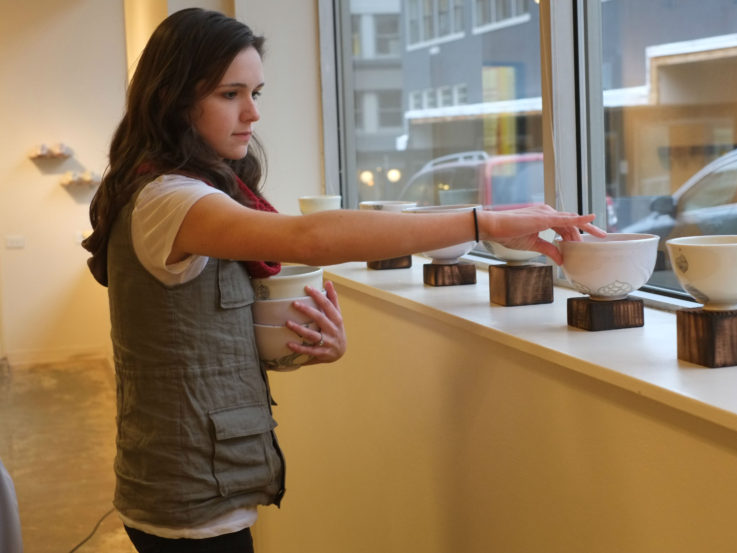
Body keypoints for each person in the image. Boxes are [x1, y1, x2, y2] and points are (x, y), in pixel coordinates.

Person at [82, 8, 605, 552]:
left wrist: (297, 344)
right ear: (174, 98)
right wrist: (484, 222)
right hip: (187, 496)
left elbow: (199, 338)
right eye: (230, 94)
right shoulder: (171, 199)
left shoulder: (178, 191)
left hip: (200, 488)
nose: (252, 114)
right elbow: (310, 238)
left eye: (256, 92)